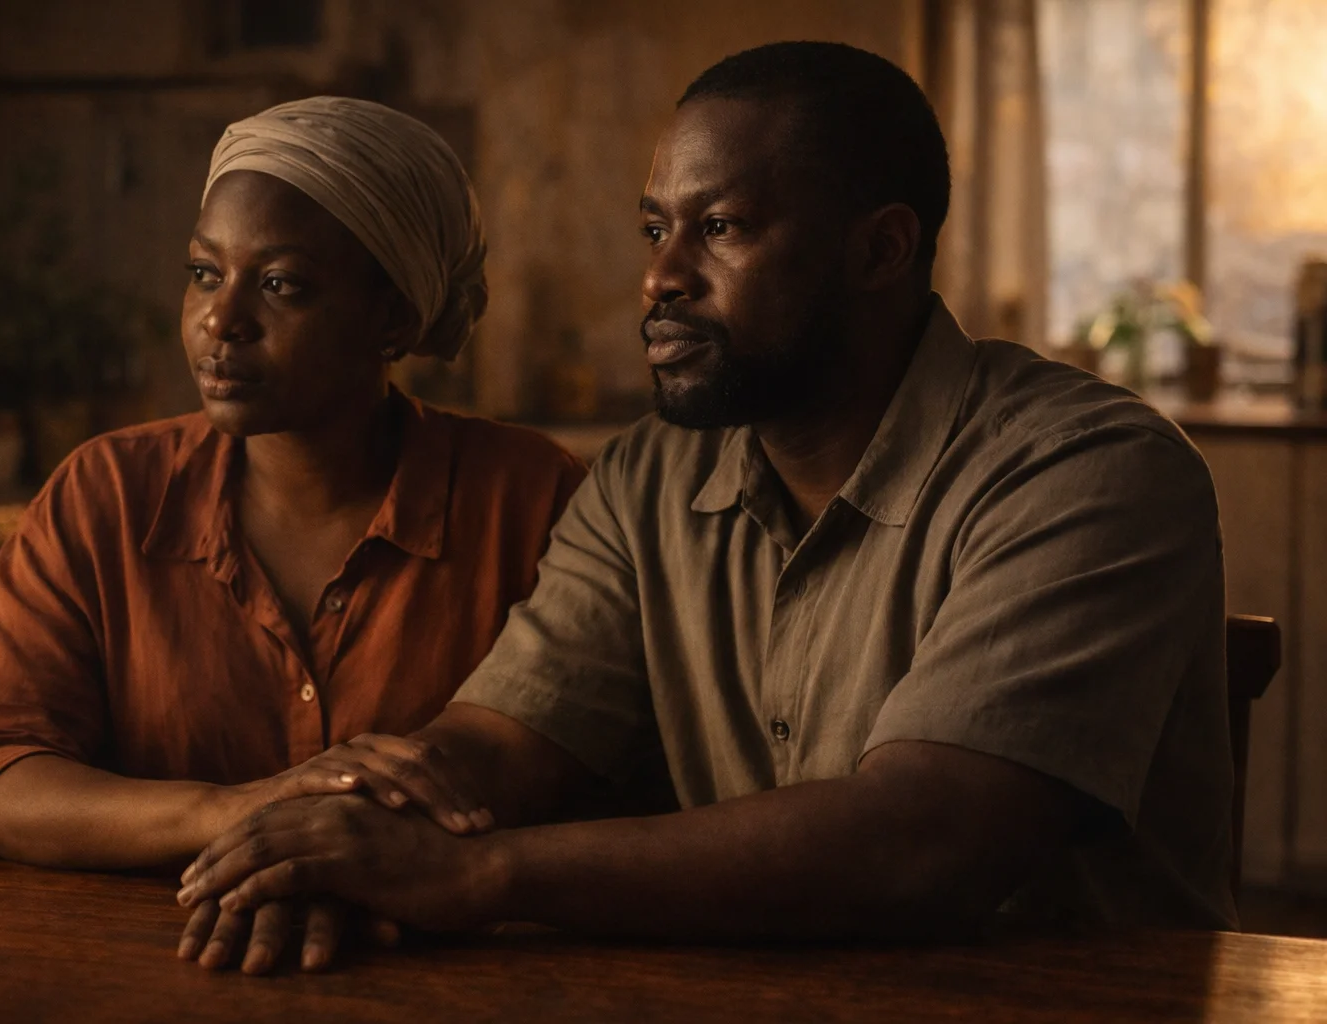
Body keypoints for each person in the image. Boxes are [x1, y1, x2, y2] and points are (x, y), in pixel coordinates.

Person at [173, 42, 1233, 970]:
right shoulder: (648, 480)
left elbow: (926, 840)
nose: (660, 279)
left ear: (882, 249)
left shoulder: (1086, 470)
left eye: (720, 228)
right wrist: (327, 846)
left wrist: (476, 874)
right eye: (654, 230)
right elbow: (501, 743)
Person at [0, 97, 588, 971]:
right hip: (146, 972)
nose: (220, 320)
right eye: (205, 273)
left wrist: (351, 848)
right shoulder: (105, 496)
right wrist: (242, 814)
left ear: (394, 317)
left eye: (280, 285)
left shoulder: (531, 501)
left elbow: (591, 772)